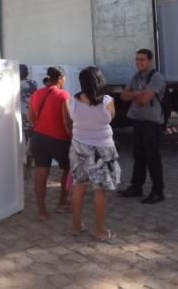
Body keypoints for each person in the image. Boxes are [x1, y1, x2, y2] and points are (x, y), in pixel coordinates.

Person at [64, 66, 120, 241]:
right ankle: (100, 230)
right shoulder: (107, 101)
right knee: (100, 190)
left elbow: (70, 120)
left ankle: (75, 226)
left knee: (79, 186)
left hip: (79, 147)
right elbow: (111, 118)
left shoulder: (71, 101)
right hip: (103, 148)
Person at [118, 49, 167, 204]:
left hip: (151, 123)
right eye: (137, 59)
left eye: (142, 60)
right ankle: (136, 187)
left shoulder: (156, 77)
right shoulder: (136, 76)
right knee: (138, 156)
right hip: (138, 121)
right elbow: (123, 96)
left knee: (152, 158)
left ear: (150, 61)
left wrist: (135, 93)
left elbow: (144, 100)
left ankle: (158, 192)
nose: (139, 62)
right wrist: (137, 93)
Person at [27, 66, 71, 221]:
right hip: (59, 138)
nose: (64, 81)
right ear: (60, 79)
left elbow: (30, 118)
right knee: (68, 168)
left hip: (38, 138)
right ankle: (62, 202)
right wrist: (72, 137)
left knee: (41, 173)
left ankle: (42, 212)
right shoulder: (63, 95)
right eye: (64, 78)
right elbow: (66, 122)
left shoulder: (36, 94)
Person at [20, 64, 38, 180]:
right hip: (31, 117)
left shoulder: (10, 84)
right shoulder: (33, 83)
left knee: (19, 145)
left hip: (16, 119)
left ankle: (21, 169)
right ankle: (27, 169)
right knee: (30, 144)